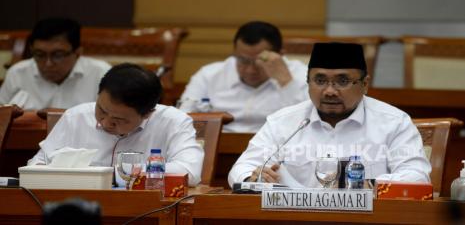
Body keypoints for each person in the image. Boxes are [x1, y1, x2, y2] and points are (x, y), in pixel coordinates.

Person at [228, 42, 431, 187]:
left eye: (342, 81)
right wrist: (253, 178)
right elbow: (242, 169)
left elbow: (417, 176)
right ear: (308, 82)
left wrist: (366, 185)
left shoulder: (394, 122)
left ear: (365, 84)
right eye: (320, 80)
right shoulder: (284, 122)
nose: (330, 91)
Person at [28, 63, 204, 186]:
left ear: (148, 113)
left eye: (119, 120)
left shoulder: (173, 121)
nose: (105, 123)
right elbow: (36, 166)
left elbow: (189, 171)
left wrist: (116, 173)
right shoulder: (76, 116)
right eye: (102, 110)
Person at [179, 21, 308, 133]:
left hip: (276, 149)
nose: (250, 70)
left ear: (279, 55)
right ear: (234, 52)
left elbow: (307, 123)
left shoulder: (302, 75)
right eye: (242, 60)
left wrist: (286, 82)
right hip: (220, 147)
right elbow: (183, 117)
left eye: (260, 61)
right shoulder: (209, 75)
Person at [0, 17, 111, 110]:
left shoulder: (101, 74)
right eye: (40, 54)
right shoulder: (17, 73)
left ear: (77, 53)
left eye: (58, 55)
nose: (48, 63)